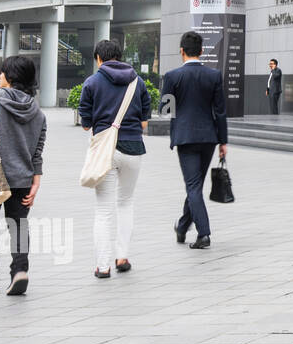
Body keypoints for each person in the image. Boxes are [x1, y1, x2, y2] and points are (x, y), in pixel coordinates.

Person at [0, 56, 46, 295]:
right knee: (18, 225)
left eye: (3, 73)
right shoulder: (37, 110)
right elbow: (38, 150)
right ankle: (19, 271)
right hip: (23, 178)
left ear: (10, 77)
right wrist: (36, 181)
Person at [79, 39, 152, 278]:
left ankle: (102, 266)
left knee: (103, 210)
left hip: (106, 152)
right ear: (119, 57)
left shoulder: (92, 82)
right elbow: (144, 121)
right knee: (126, 202)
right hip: (133, 149)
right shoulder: (137, 82)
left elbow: (86, 124)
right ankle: (122, 256)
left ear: (98, 58)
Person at [161, 31, 228, 249]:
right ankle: (182, 226)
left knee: (193, 186)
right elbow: (220, 111)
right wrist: (223, 141)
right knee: (195, 185)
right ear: (201, 51)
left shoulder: (172, 77)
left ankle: (204, 234)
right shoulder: (214, 75)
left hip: (185, 137)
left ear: (181, 51)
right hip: (209, 137)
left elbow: (166, 110)